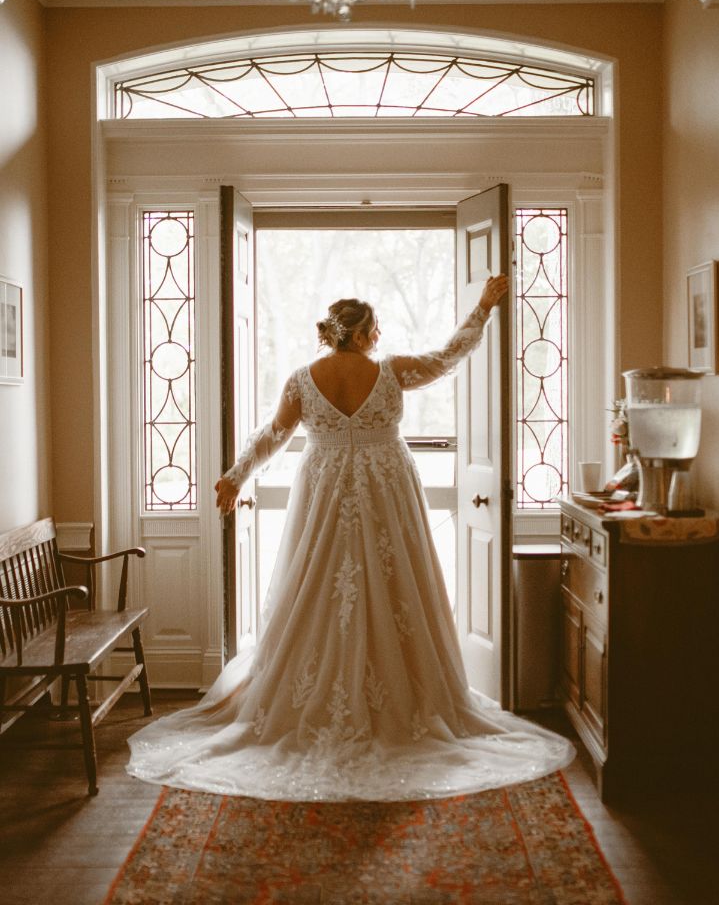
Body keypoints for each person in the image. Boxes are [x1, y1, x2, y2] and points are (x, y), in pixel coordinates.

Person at [127, 275, 574, 801]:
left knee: (317, 589)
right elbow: (449, 356)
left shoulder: (302, 378)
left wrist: (235, 475)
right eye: (376, 327)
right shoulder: (392, 371)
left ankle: (313, 702)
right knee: (392, 586)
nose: (380, 334)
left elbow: (272, 435)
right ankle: (400, 700)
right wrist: (482, 308)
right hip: (387, 492)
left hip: (325, 490)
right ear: (362, 334)